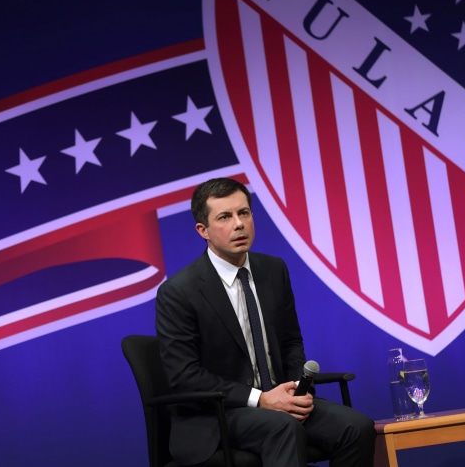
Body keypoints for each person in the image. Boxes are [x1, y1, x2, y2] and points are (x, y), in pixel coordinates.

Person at [155, 177, 376, 466]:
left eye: (244, 213)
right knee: (283, 429)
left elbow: (290, 341)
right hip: (219, 415)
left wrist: (298, 389)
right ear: (203, 230)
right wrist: (260, 398)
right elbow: (184, 377)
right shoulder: (179, 291)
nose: (238, 224)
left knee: (356, 428)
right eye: (225, 217)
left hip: (280, 403)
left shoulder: (273, 270)